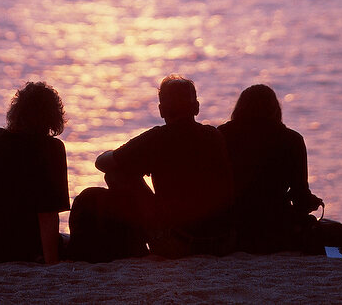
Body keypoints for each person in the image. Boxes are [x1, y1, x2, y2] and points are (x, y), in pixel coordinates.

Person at [69, 75, 233, 260]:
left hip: (179, 243)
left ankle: (139, 241)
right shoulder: (214, 136)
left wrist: (128, 161)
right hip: (223, 243)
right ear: (196, 107)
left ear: (162, 110)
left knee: (117, 174)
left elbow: (102, 163)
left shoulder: (157, 138)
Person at [0, 81, 70, 265]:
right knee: (69, 242)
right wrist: (52, 264)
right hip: (12, 247)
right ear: (53, 117)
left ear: (16, 112)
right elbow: (48, 214)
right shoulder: (51, 149)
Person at [218, 84, 322, 253]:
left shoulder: (222, 134)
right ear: (275, 109)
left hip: (234, 226)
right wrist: (313, 202)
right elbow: (300, 197)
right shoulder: (292, 140)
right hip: (276, 226)